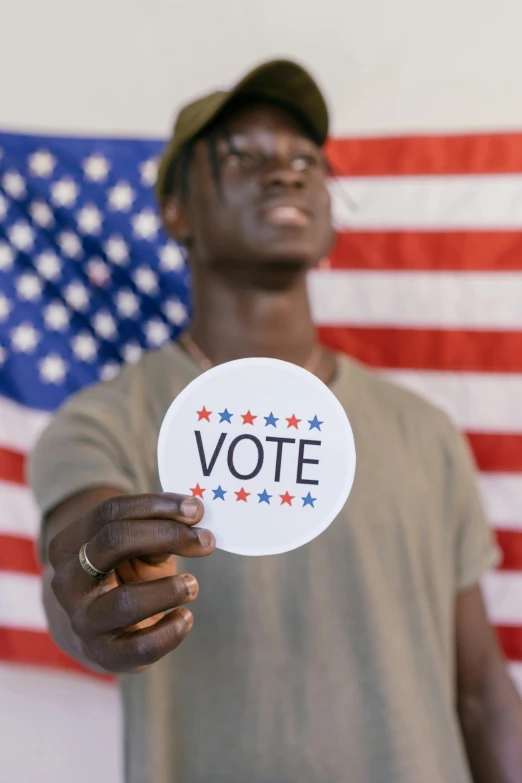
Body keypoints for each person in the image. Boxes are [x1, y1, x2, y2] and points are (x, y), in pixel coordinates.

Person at [29, 59, 522, 783]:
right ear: (176, 211)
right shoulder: (104, 420)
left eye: (304, 161)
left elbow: (480, 691)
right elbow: (77, 559)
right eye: (242, 156)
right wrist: (88, 599)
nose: (285, 173)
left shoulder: (423, 428)